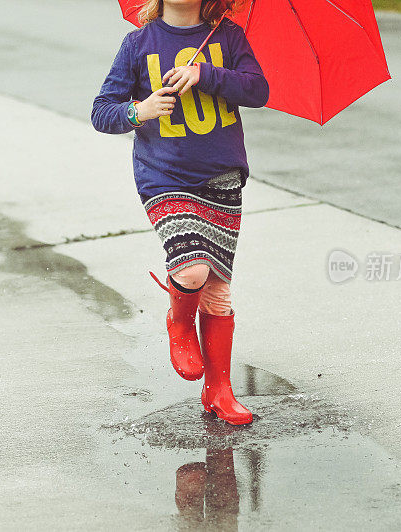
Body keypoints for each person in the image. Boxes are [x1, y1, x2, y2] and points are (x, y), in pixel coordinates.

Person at [91, 0, 268, 425]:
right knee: (192, 272)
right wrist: (140, 110)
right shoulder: (138, 44)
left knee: (218, 289)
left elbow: (258, 91)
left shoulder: (227, 36)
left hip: (221, 178)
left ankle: (219, 390)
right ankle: (179, 321)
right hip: (164, 176)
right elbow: (101, 112)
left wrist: (205, 73)